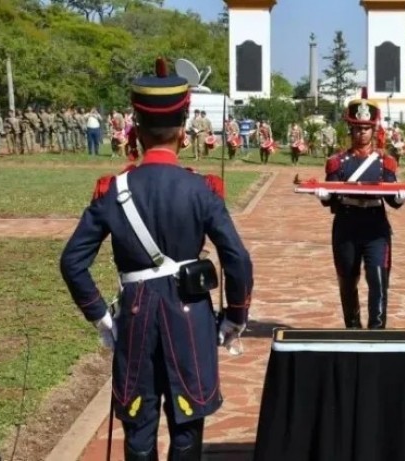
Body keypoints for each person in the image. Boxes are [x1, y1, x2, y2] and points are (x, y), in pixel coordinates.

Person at [59, 57, 253, 460]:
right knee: (186, 432)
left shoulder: (112, 191)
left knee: (138, 429)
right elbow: (236, 259)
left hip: (134, 320)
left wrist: (101, 317)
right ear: (183, 130)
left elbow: (73, 262)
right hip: (191, 318)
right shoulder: (202, 190)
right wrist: (234, 316)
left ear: (136, 129)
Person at [314, 88, 405, 329]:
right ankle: (353, 328)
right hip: (347, 225)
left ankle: (377, 331)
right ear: (350, 129)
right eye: (357, 128)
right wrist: (324, 196)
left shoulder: (384, 161)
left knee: (378, 278)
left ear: (373, 129)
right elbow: (331, 200)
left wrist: (400, 198)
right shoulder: (337, 162)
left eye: (366, 128)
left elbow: (391, 199)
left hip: (375, 225)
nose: (362, 132)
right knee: (347, 280)